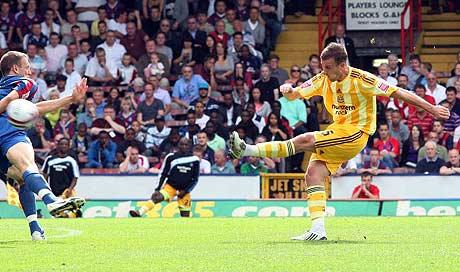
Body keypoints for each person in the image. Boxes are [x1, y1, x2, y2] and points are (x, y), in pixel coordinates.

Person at [228, 43, 450, 241]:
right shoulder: (324, 78)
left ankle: (246, 149)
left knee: (305, 139)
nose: (323, 72)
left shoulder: (363, 80)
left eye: (328, 68)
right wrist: (288, 90)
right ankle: (318, 229)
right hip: (337, 131)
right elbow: (297, 93)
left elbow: (399, 92)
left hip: (356, 134)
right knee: (313, 173)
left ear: (342, 65)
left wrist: (431, 109)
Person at [0, 51, 87, 240]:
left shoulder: (5, 88)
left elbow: (36, 108)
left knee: (23, 178)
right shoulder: (26, 83)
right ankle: (51, 200)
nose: (30, 70)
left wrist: (71, 99)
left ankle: (36, 229)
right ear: (16, 68)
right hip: (8, 132)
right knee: (29, 167)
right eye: (27, 66)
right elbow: (7, 103)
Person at [129, 138, 200, 218]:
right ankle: (139, 212)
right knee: (157, 197)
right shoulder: (171, 157)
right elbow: (163, 173)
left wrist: (186, 190)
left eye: (186, 144)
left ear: (189, 146)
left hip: (184, 190)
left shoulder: (195, 160)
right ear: (178, 145)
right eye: (181, 144)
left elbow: (195, 179)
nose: (183, 146)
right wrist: (157, 189)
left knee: (185, 215)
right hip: (171, 187)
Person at [42, 138, 81, 218]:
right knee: (57, 215)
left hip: (67, 192)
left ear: (68, 147)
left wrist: (70, 189)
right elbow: (45, 174)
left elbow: (75, 177)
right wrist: (46, 188)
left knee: (70, 214)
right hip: (53, 192)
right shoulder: (49, 159)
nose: (63, 146)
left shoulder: (71, 161)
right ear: (57, 146)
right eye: (61, 144)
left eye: (66, 144)